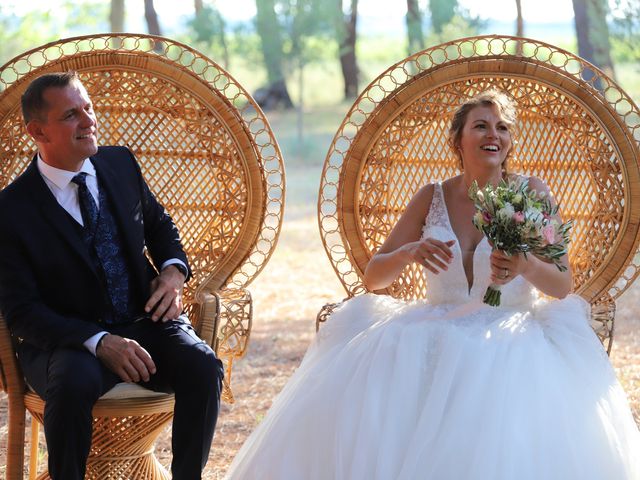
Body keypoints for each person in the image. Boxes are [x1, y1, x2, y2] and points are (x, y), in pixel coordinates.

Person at [226, 90, 640, 479]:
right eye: (481, 126)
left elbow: (563, 284)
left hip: (514, 331)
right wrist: (410, 253)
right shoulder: (432, 196)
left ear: (510, 142)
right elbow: (374, 277)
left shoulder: (531, 193)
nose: (493, 134)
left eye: (502, 128)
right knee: (385, 374)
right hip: (432, 325)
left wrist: (524, 264)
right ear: (457, 140)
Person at [0, 71, 224, 480]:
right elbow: (21, 312)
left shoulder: (119, 164)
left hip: (145, 321)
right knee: (70, 388)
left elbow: (161, 229)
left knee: (203, 366)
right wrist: (98, 341)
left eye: (88, 108)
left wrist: (174, 274)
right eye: (71, 114)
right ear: (38, 131)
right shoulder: (11, 210)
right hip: (68, 341)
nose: (88, 121)